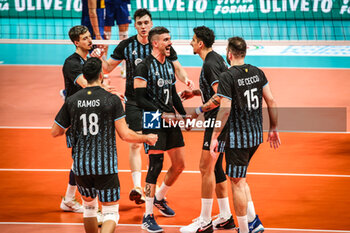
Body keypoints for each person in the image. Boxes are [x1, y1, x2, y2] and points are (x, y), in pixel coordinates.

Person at [91, 8, 194, 206]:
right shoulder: (127, 45)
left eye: (146, 22)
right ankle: (137, 188)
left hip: (157, 104)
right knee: (137, 142)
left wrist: (186, 79)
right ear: (135, 25)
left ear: (151, 23)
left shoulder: (162, 44)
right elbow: (107, 68)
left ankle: (155, 195)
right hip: (135, 101)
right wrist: (97, 57)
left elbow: (177, 68)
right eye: (139, 23)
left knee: (157, 152)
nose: (143, 26)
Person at [51, 57, 158, 233]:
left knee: (89, 209)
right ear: (101, 75)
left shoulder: (71, 100)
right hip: (105, 165)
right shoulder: (111, 100)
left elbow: (55, 131)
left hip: (81, 165)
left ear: (84, 75)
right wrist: (146, 138)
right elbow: (125, 135)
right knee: (110, 213)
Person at [210, 36, 281, 233]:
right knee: (240, 178)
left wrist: (215, 135)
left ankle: (243, 229)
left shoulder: (227, 76)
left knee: (237, 183)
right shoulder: (258, 72)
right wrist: (273, 128)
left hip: (237, 139)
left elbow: (224, 109)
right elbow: (272, 101)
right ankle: (253, 221)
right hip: (255, 136)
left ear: (229, 54)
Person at [180, 26, 235, 233]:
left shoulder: (210, 64)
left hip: (216, 122)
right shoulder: (217, 58)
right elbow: (220, 88)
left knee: (205, 168)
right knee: (216, 168)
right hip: (222, 120)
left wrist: (197, 110)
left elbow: (220, 96)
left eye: (193, 40)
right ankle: (226, 216)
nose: (191, 43)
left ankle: (205, 221)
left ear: (200, 43)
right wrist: (196, 92)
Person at [134, 26, 188, 233]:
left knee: (180, 164)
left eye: (170, 39)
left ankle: (159, 198)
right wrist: (161, 114)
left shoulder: (167, 65)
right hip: (153, 120)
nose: (170, 42)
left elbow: (173, 93)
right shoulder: (143, 66)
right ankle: (147, 216)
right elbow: (140, 98)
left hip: (170, 120)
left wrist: (182, 114)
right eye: (166, 39)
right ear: (155, 43)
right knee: (155, 167)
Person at [60, 25, 115, 213]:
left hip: (88, 113)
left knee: (82, 158)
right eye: (85, 38)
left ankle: (70, 198)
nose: (90, 40)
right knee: (81, 158)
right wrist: (106, 91)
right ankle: (74, 200)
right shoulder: (72, 63)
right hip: (76, 116)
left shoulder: (88, 60)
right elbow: (86, 85)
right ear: (76, 42)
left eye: (89, 37)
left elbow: (99, 80)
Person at [104, 0, 131, 77]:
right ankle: (103, 67)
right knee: (106, 36)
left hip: (122, 3)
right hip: (107, 2)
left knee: (124, 37)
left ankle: (125, 67)